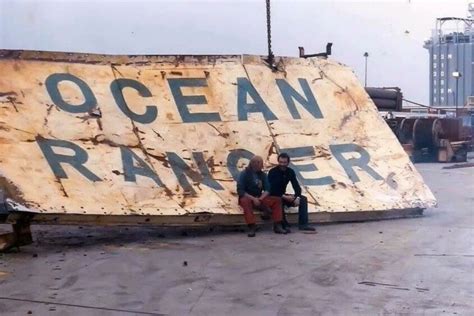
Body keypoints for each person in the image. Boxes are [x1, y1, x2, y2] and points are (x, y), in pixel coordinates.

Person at [237, 155, 287, 237]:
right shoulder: (244, 174)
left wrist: (260, 199)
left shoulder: (262, 175)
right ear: (254, 164)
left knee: (277, 200)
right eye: (260, 164)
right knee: (245, 201)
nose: (262, 166)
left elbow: (268, 189)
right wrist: (253, 199)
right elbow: (240, 191)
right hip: (248, 197)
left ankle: (277, 225)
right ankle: (251, 226)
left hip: (259, 197)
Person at [268, 153, 316, 232]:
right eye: (280, 162)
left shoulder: (290, 172)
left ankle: (303, 224)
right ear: (278, 162)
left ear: (288, 162)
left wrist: (296, 197)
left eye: (284, 162)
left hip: (284, 195)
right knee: (279, 201)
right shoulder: (273, 172)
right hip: (275, 196)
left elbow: (296, 186)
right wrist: (284, 197)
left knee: (303, 199)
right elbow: (272, 190)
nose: (282, 164)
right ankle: (283, 224)